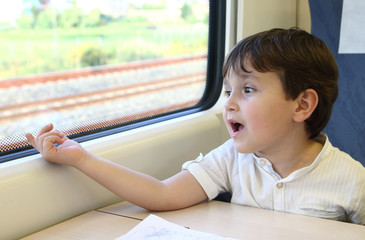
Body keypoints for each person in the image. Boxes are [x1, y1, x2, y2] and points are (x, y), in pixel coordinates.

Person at [25, 27, 365, 224]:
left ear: (302, 105)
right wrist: (81, 158)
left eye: (247, 90)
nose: (229, 103)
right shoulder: (233, 158)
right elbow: (162, 194)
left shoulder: (352, 181)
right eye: (228, 90)